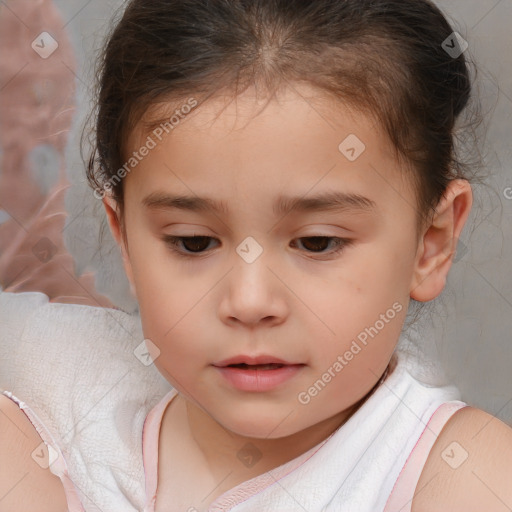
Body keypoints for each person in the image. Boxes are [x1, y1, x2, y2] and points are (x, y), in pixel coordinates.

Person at [1, 0, 511, 510]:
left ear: (431, 243)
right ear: (126, 239)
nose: (249, 301)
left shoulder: (463, 474)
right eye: (193, 242)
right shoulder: (51, 392)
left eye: (317, 242)